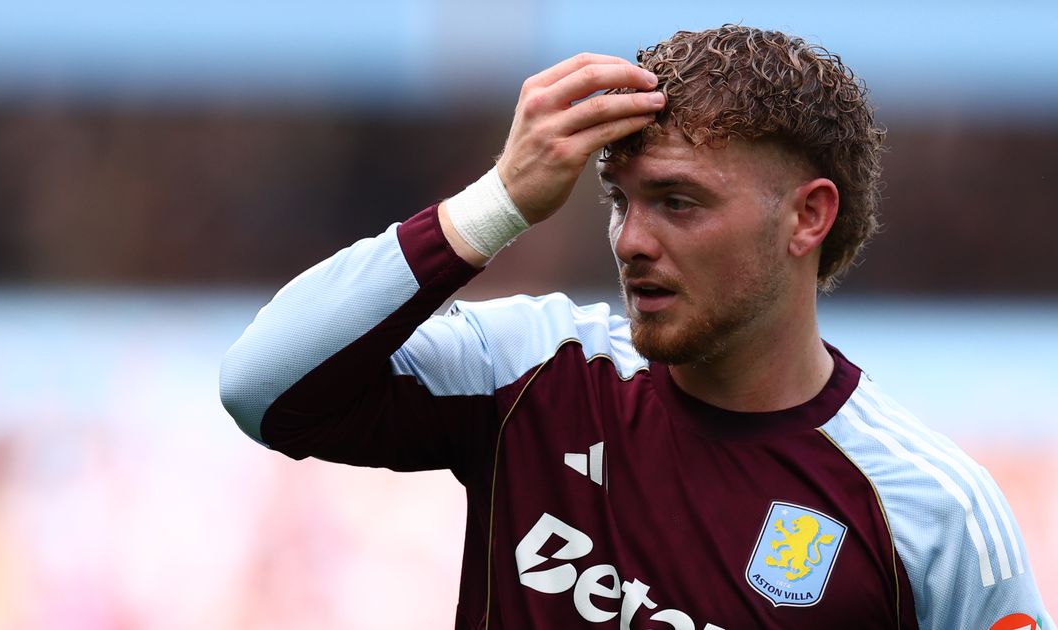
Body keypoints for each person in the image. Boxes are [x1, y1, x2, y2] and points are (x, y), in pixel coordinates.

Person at [220, 25, 1053, 629]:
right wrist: (495, 204)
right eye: (622, 200)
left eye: (678, 203)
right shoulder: (536, 371)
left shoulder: (931, 513)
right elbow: (261, 387)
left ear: (808, 217)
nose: (631, 241)